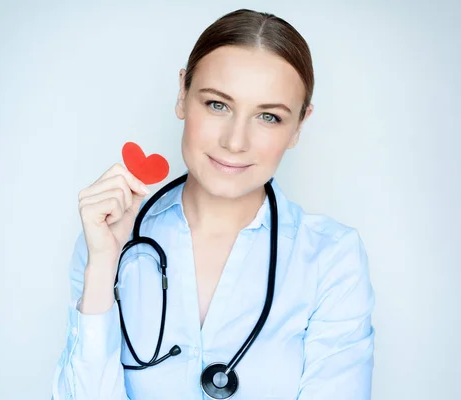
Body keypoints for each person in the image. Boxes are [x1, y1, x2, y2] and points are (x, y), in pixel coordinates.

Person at [52, 8, 375, 400]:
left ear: (298, 127)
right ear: (183, 94)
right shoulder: (110, 240)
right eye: (217, 105)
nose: (235, 141)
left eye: (269, 117)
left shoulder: (331, 258)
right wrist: (103, 264)